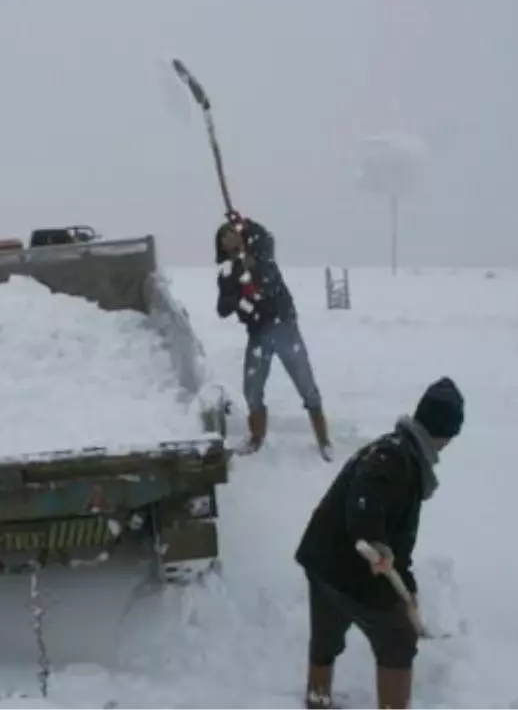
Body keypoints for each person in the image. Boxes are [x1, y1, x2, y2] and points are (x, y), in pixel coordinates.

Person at [294, 377, 464, 710]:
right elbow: (364, 496)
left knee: (326, 638)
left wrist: (407, 583)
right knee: (399, 639)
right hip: (350, 566)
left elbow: (397, 537)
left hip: (324, 559)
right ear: (443, 434)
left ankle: (317, 699)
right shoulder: (393, 456)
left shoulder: (399, 450)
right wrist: (373, 541)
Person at [215, 212, 331, 459]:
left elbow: (265, 237)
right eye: (224, 236)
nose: (229, 238)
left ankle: (323, 439)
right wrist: (241, 297)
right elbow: (222, 308)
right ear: (221, 245)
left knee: (306, 385)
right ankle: (256, 438)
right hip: (258, 333)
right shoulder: (228, 272)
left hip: (285, 327)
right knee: (252, 390)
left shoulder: (260, 253)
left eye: (232, 232)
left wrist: (246, 223)